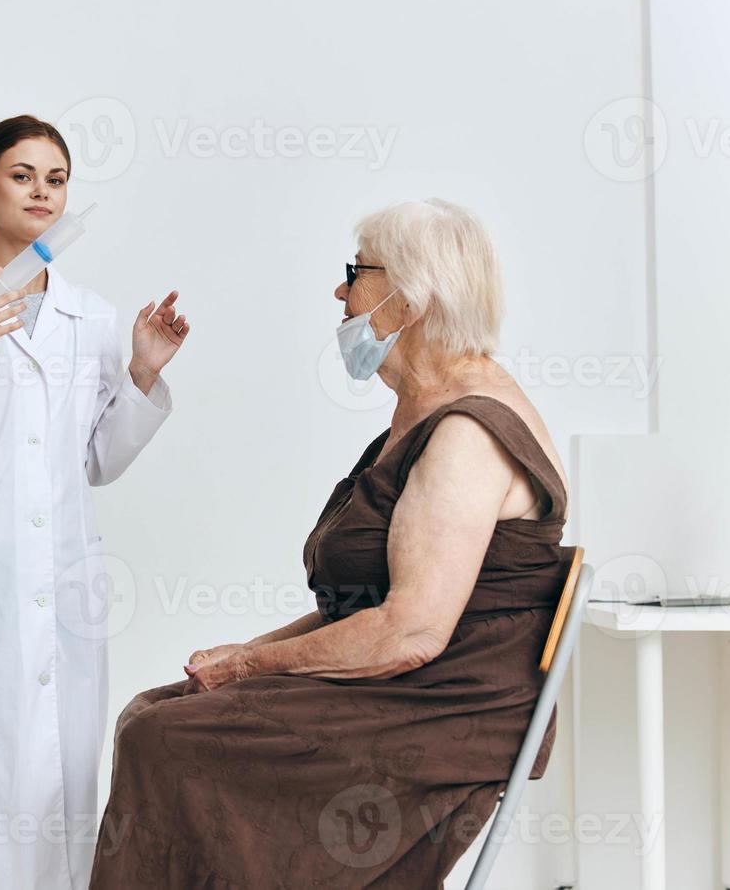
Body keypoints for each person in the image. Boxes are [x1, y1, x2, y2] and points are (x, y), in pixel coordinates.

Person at [90, 198, 574, 889]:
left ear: (408, 298)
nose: (341, 292)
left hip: (444, 708)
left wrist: (251, 669)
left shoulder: (468, 435)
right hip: (411, 683)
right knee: (157, 711)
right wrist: (248, 655)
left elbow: (409, 632)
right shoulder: (422, 411)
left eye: (356, 271)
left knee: (163, 741)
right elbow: (364, 607)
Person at [0, 115, 189, 890]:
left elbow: (96, 460)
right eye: (22, 175)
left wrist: (144, 373)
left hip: (62, 591)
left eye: (56, 179)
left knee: (56, 796)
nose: (42, 192)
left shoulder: (88, 317)